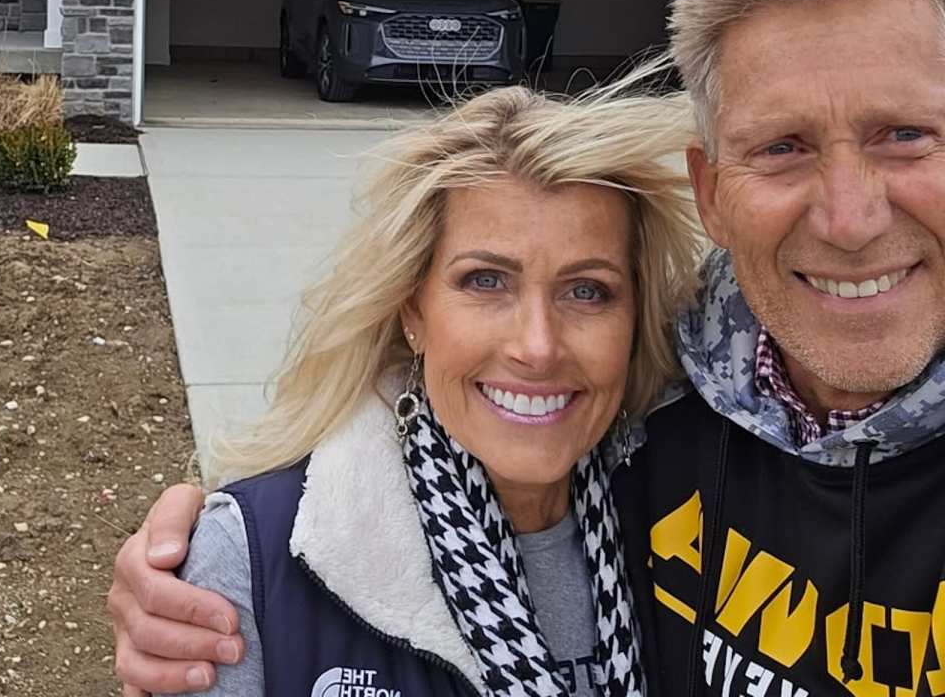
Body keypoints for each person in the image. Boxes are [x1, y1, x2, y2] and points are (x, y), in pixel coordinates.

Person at [110, 0, 945, 697]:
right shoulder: (669, 440)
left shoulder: (632, 453)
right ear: (713, 192)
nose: (849, 220)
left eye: (905, 134)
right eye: (784, 146)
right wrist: (217, 548)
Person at [119, 81, 703, 697]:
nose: (538, 346)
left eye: (587, 291)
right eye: (485, 281)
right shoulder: (255, 559)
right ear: (413, 308)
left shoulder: (694, 527)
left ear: (634, 319)